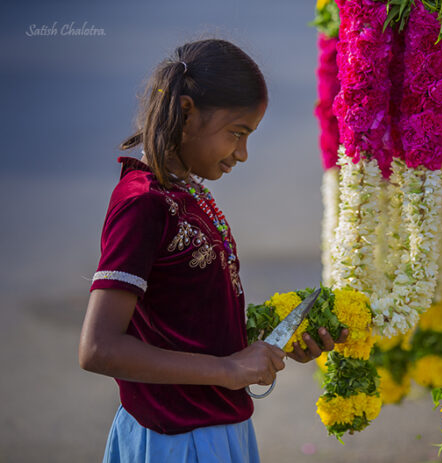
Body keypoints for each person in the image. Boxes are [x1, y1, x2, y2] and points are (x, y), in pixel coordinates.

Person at [79, 38, 347, 463]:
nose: (242, 154)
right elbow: (99, 348)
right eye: (236, 134)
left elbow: (186, 318)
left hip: (218, 430)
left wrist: (265, 342)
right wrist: (229, 369)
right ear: (186, 112)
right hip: (176, 442)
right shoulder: (143, 203)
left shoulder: (187, 191)